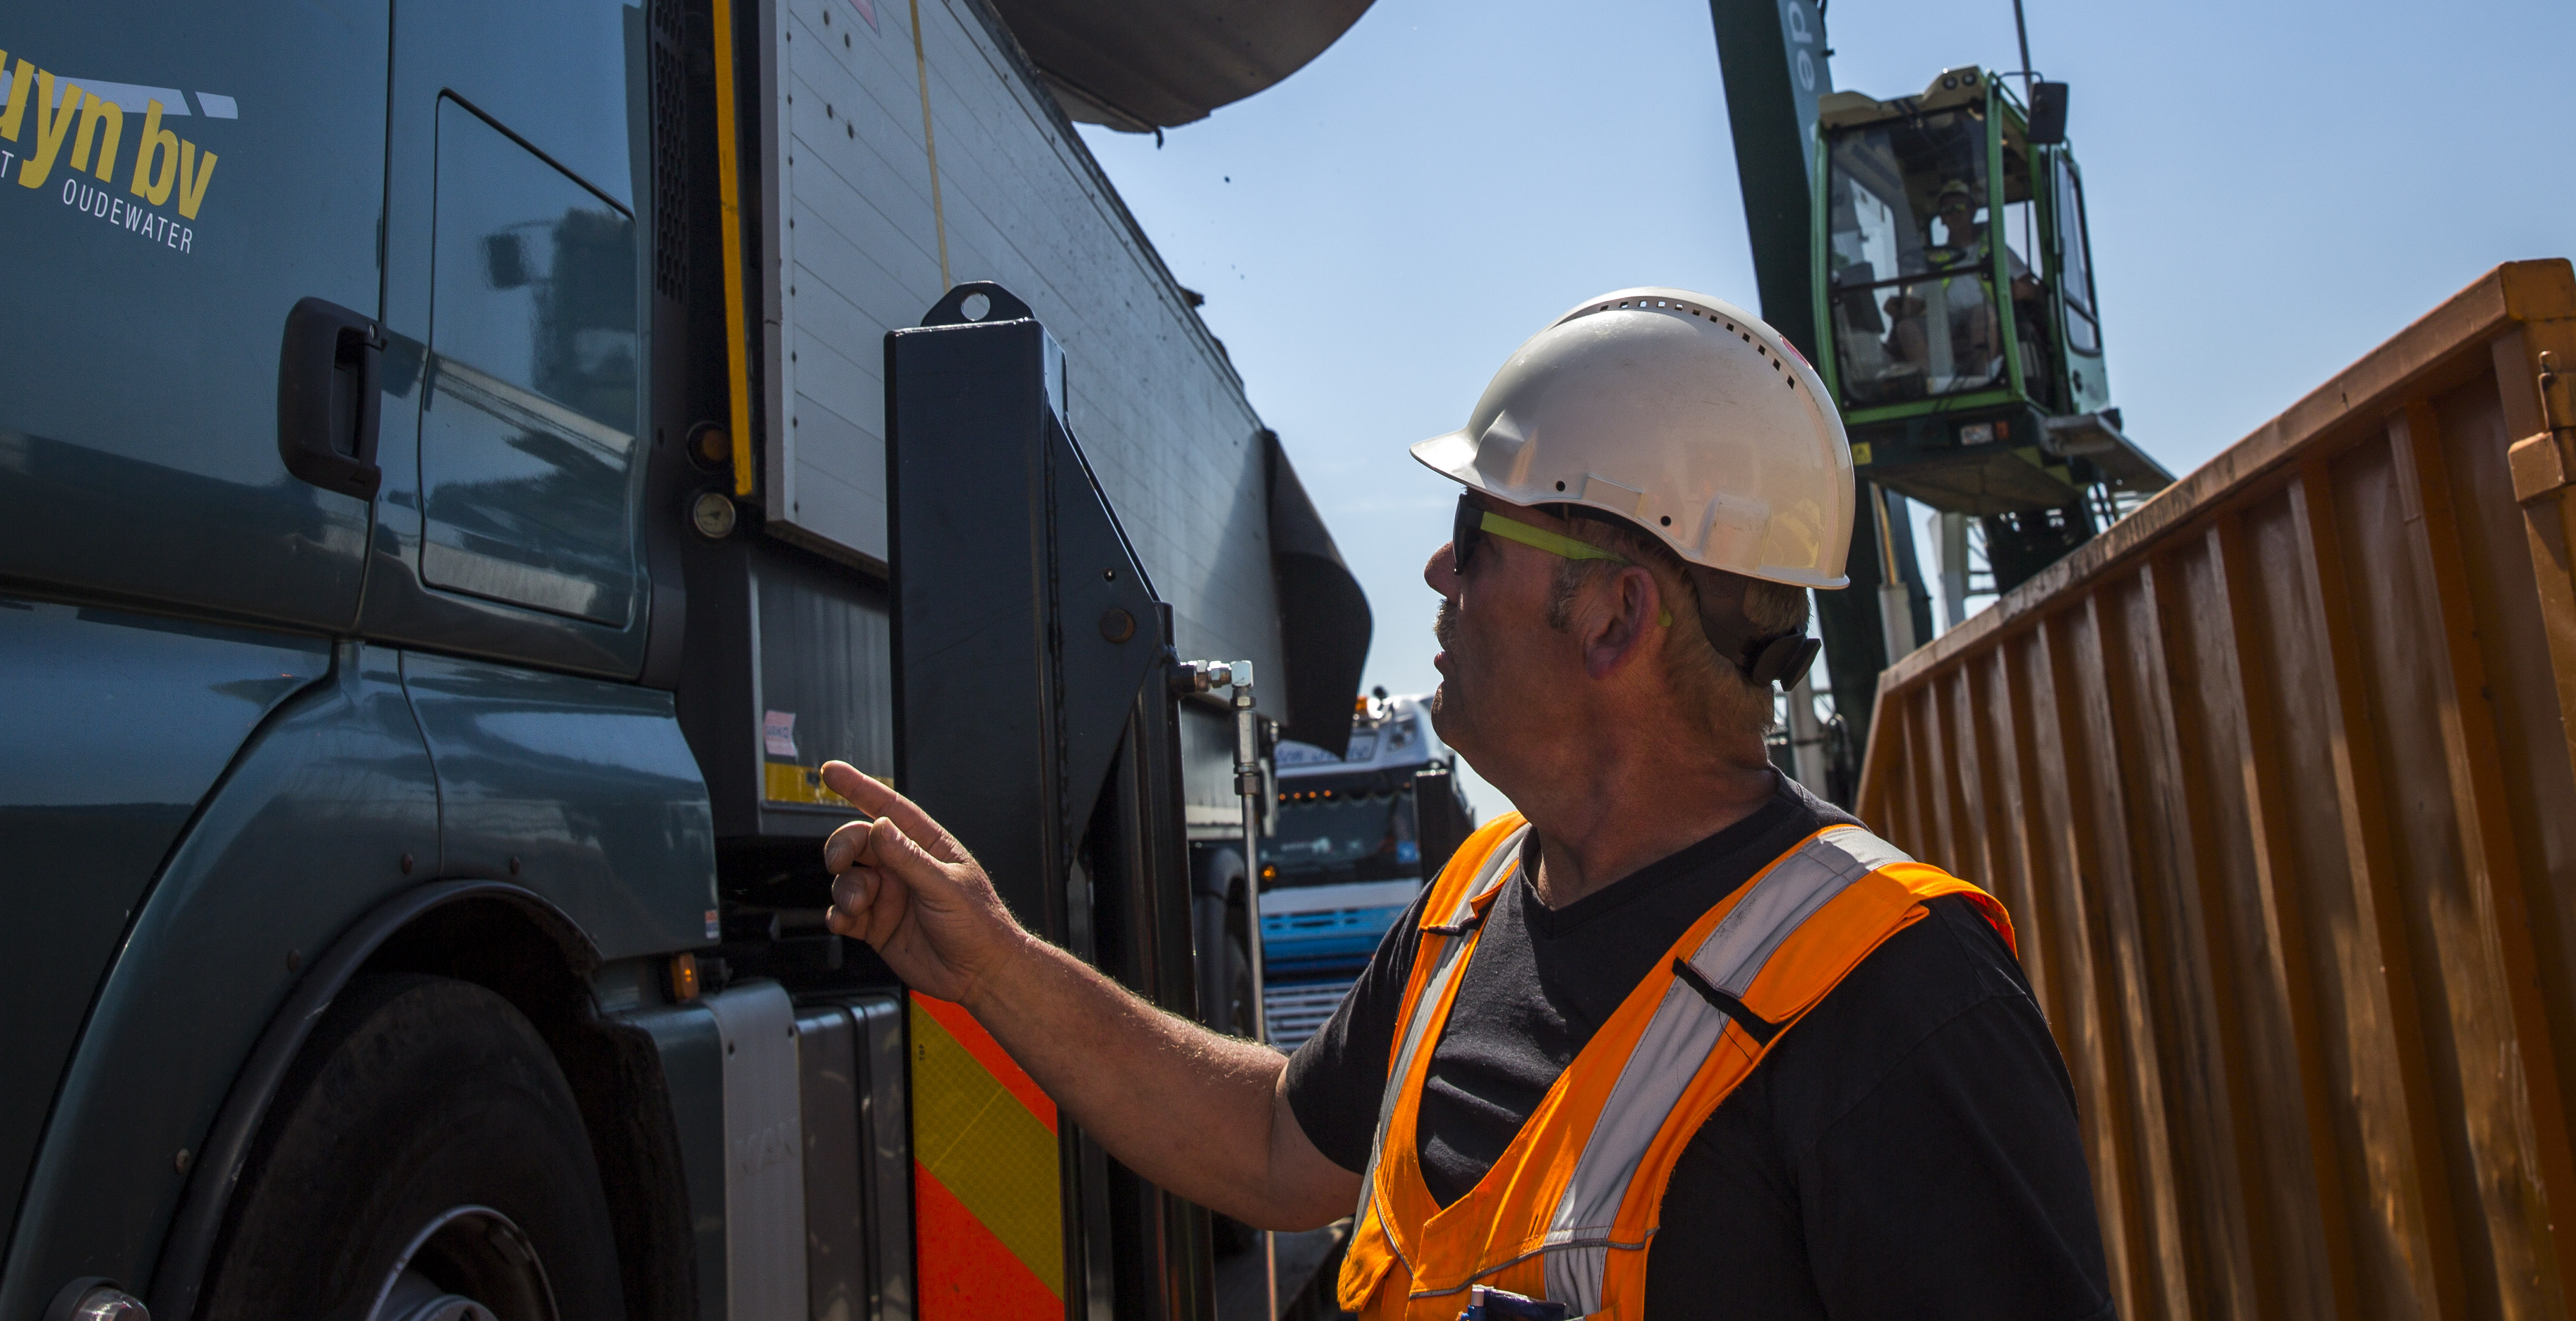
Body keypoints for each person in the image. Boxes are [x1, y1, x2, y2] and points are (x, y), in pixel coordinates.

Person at [821, 288, 2114, 1321]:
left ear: (1616, 614)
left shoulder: (1898, 1000)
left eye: (1476, 530)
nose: (1438, 567)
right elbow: (1276, 1145)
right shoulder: (1474, 904)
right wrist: (995, 964)